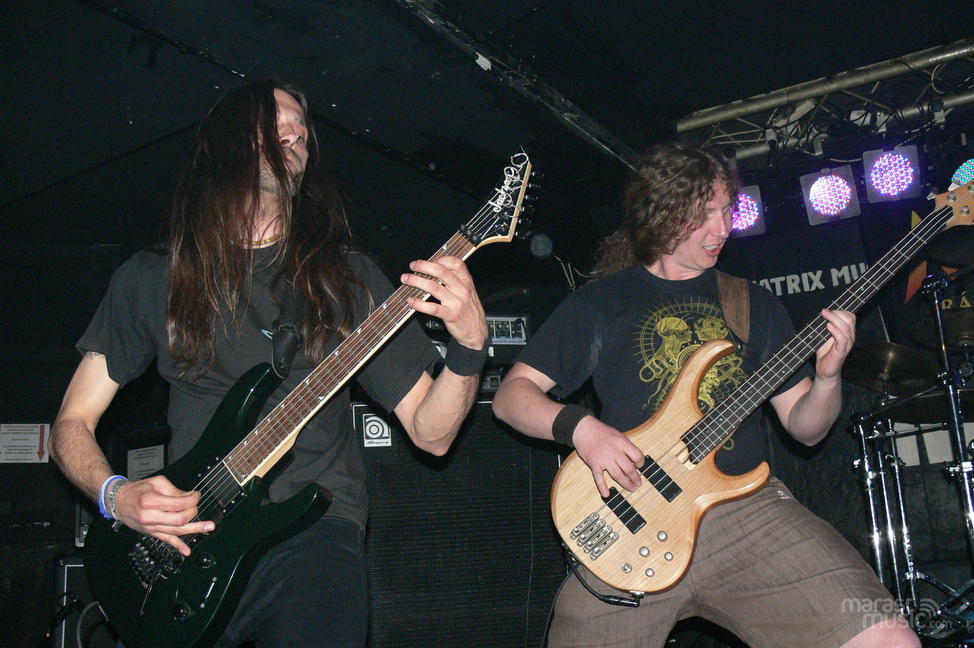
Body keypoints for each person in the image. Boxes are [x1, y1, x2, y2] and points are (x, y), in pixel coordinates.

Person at [50, 79, 489, 648]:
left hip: (312, 528)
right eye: (276, 121)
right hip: (189, 541)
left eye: (302, 128)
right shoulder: (151, 277)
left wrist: (470, 345)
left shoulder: (348, 279)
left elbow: (432, 434)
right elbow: (71, 424)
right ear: (224, 141)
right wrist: (117, 497)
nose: (297, 133)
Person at [492, 142, 920, 647]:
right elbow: (511, 397)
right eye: (704, 215)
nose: (723, 229)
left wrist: (827, 378)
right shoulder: (600, 303)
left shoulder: (752, 304)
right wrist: (584, 431)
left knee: (888, 638)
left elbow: (806, 429)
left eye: (727, 211)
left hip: (747, 513)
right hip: (632, 516)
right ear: (661, 215)